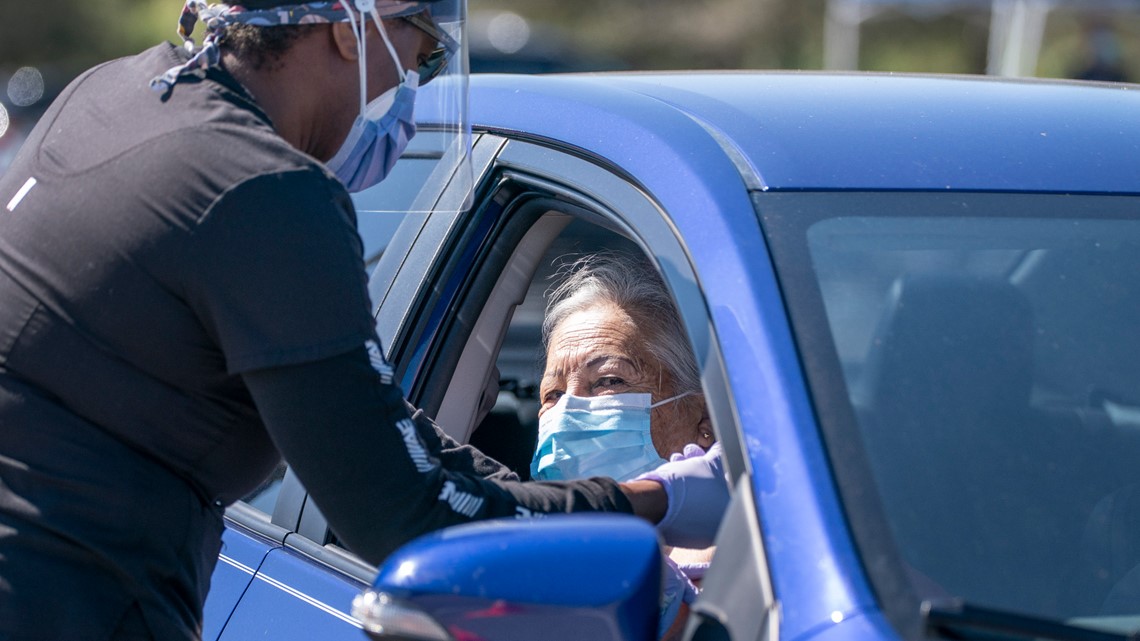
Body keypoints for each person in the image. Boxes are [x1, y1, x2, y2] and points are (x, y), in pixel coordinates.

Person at [0, 1, 727, 639]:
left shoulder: (115, 93)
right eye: (423, 48)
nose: (415, 83)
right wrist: (650, 500)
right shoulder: (266, 192)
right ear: (358, 28)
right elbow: (402, 513)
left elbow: (376, 431)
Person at [531, 251, 720, 640]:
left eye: (608, 381)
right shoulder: (535, 554)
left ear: (705, 418)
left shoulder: (764, 562)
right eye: (551, 394)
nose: (567, 412)